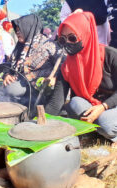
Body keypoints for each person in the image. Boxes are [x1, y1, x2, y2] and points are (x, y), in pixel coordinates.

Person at [45, 11, 117, 143]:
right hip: (94, 106)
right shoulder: (67, 66)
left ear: (85, 34)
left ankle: (109, 134)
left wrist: (103, 107)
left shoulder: (110, 55)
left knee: (105, 122)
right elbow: (56, 102)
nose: (67, 43)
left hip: (112, 105)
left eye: (72, 38)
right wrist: (39, 122)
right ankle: (99, 131)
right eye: (62, 39)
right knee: (75, 103)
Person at [3, 14, 63, 115]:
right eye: (16, 30)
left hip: (43, 88)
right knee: (6, 90)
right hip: (23, 84)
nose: (17, 33)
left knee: (12, 90)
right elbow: (9, 65)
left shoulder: (48, 44)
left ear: (28, 28)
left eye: (19, 30)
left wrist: (55, 78)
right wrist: (7, 74)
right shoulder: (19, 47)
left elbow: (62, 63)